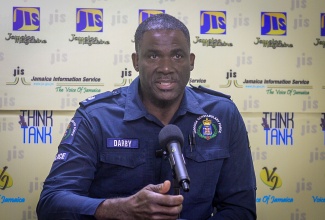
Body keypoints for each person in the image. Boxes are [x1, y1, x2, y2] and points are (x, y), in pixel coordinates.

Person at [37, 13, 256, 220]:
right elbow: (52, 203)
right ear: (135, 61)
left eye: (177, 55)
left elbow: (241, 209)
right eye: (153, 56)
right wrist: (117, 209)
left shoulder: (223, 114)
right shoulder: (96, 117)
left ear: (191, 61)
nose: (166, 67)